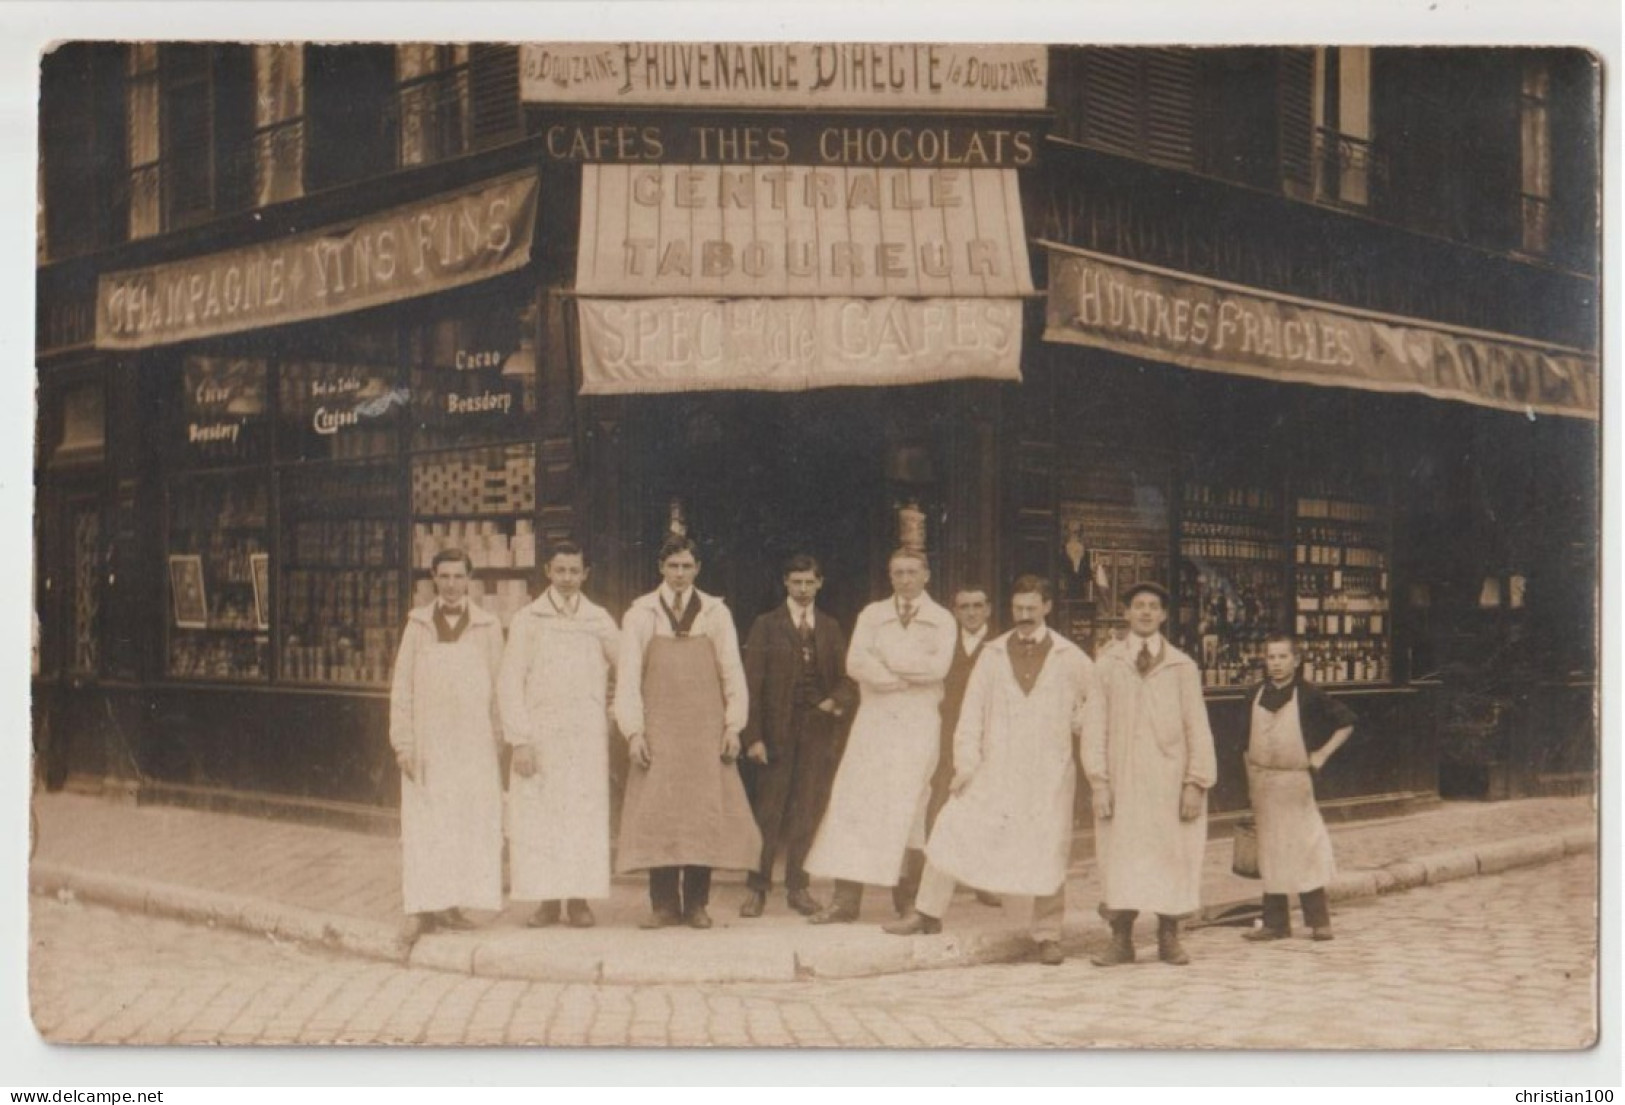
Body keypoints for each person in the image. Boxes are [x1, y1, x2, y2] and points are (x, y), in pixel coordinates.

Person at [885, 576, 1095, 966]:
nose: (1025, 617)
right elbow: (971, 714)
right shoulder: (993, 653)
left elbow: (1094, 706)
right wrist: (966, 765)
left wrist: (1078, 722)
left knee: (1048, 848)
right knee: (952, 827)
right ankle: (926, 913)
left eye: (1033, 609)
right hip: (993, 766)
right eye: (1018, 609)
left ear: (1047, 607)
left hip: (1047, 772)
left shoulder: (1071, 657)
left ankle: (1047, 934)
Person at [614, 534, 761, 930]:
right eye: (672, 566)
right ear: (661, 568)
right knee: (660, 813)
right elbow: (627, 678)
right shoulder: (640, 614)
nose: (679, 574)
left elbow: (733, 672)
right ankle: (662, 904)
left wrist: (734, 728)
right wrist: (634, 732)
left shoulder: (715, 613)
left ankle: (697, 903)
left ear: (697, 569)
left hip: (704, 731)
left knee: (700, 813)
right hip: (659, 730)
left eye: (687, 566)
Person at [804, 548, 957, 924]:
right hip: (873, 723)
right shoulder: (872, 615)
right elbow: (855, 663)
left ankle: (907, 901)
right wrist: (896, 678)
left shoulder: (941, 619)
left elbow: (938, 668)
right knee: (854, 804)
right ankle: (845, 900)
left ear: (926, 576)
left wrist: (887, 664)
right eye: (897, 573)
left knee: (909, 807)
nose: (904, 580)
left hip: (918, 725)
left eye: (911, 572)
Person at [1081, 580, 1217, 966]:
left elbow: (1197, 727)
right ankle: (1120, 940)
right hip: (1122, 780)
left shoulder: (1181, 666)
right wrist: (1098, 781)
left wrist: (1196, 782)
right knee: (1119, 857)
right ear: (1126, 613)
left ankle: (1169, 937)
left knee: (1170, 855)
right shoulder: (1108, 664)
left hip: (1169, 781)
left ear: (1163, 615)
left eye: (1153, 606)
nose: (1144, 612)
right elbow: (1094, 725)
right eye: (1138, 605)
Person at [498, 541, 620, 930]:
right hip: (541, 737)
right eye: (560, 570)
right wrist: (520, 739)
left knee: (582, 817)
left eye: (575, 571)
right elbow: (510, 681)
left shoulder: (599, 619)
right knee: (541, 819)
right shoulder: (527, 619)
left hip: (585, 739)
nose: (567, 579)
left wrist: (614, 711)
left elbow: (628, 669)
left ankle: (580, 901)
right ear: (548, 571)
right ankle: (547, 902)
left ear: (585, 574)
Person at [388, 548, 506, 944]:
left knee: (465, 823)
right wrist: (404, 743)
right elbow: (402, 688)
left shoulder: (488, 626)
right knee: (426, 825)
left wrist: (499, 738)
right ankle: (421, 909)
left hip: (472, 744)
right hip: (429, 744)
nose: (452, 585)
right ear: (433, 579)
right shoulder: (418, 625)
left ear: (470, 579)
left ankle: (452, 905)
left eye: (459, 577)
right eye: (445, 577)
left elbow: (499, 686)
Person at [737, 554, 858, 919]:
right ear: (786, 584)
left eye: (810, 582)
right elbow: (751, 685)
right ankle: (757, 889)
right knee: (768, 812)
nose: (803, 589)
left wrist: (833, 703)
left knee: (807, 810)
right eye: (797, 582)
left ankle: (798, 887)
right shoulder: (766, 625)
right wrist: (753, 737)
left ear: (820, 583)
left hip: (817, 732)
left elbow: (847, 679)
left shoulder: (830, 627)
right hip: (776, 732)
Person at [1242, 634, 1356, 942]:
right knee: (1270, 850)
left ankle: (1319, 920)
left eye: (1283, 657)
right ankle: (1275, 923)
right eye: (1271, 657)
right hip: (1263, 782)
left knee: (1306, 848)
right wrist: (1250, 785)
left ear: (1296, 660)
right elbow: (1243, 745)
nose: (1277, 663)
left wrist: (1320, 755)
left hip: (1295, 782)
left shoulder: (1309, 694)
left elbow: (1346, 722)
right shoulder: (1253, 693)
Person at [897, 583, 1000, 915]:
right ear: (955, 612)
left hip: (987, 736)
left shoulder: (1000, 646)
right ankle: (919, 883)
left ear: (988, 609)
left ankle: (983, 879)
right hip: (943, 733)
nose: (971, 613)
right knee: (934, 804)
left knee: (986, 805)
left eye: (977, 605)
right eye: (964, 607)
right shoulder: (945, 643)